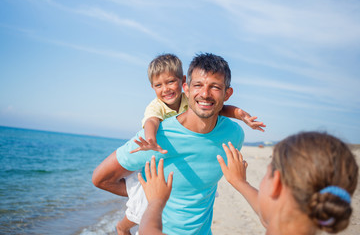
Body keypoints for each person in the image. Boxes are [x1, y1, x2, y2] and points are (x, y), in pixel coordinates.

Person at [92, 53, 245, 234]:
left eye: (215, 87)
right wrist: (151, 195)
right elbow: (101, 179)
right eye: (198, 85)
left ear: (227, 93)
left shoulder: (234, 135)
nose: (205, 93)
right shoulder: (156, 138)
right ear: (187, 88)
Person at [139, 132, 359, 235]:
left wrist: (156, 201)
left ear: (276, 184)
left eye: (268, 170)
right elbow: (273, 218)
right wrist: (240, 182)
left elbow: (149, 231)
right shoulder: (294, 223)